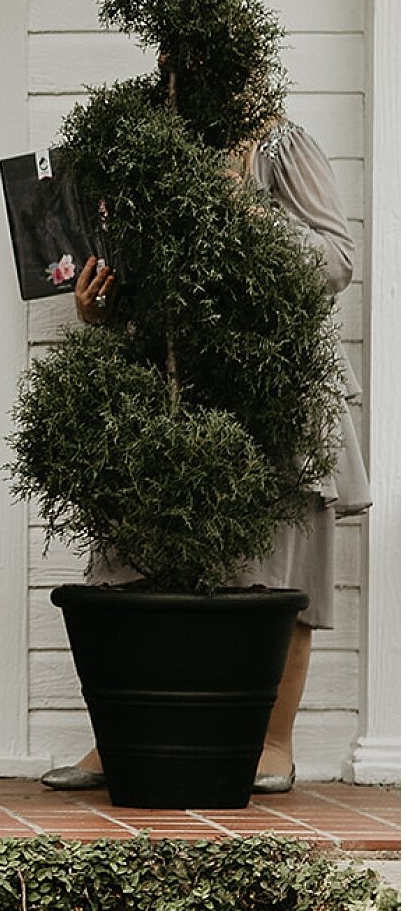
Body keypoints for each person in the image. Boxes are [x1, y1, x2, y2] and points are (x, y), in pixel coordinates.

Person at [41, 111, 368, 796]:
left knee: (282, 550)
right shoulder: (134, 151)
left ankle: (274, 741)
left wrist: (238, 202)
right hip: (168, 375)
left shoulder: (279, 142)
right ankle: (119, 734)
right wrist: (97, 309)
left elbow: (335, 262)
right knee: (131, 551)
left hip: (274, 377)